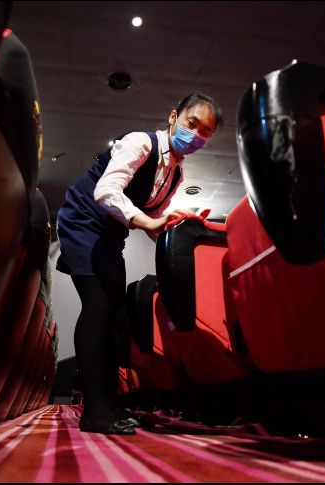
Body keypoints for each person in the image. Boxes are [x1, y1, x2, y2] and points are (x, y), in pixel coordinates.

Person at [56, 92, 222, 435]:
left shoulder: (176, 173)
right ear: (173, 116)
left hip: (111, 236)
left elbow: (154, 215)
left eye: (206, 134)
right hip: (83, 222)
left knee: (117, 314)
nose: (197, 136)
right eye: (193, 124)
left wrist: (179, 226)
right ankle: (95, 409)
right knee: (98, 306)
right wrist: (148, 223)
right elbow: (106, 192)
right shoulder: (140, 143)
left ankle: (109, 402)